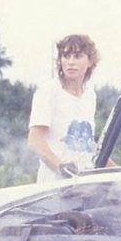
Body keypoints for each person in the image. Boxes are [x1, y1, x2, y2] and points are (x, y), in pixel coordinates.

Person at [27, 34, 100, 182]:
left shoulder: (90, 95)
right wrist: (62, 167)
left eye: (78, 56)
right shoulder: (49, 91)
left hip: (84, 185)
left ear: (90, 61)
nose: (70, 62)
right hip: (54, 185)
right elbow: (34, 140)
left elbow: (87, 143)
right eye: (66, 56)